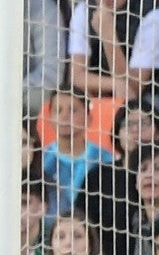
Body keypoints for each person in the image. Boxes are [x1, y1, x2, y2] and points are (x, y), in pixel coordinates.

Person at [68, 0, 159, 101]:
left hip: (147, 99)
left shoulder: (152, 14)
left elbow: (133, 92)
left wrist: (109, 36)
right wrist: (115, 84)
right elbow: (76, 77)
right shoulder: (84, 9)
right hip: (102, 94)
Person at [80, 99, 159, 255]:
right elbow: (82, 222)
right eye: (128, 124)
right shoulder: (99, 177)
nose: (136, 130)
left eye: (144, 123)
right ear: (117, 133)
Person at [43, 85, 115, 215]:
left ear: (88, 119)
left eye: (72, 111)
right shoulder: (41, 159)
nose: (64, 116)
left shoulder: (105, 159)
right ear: (50, 119)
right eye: (58, 111)